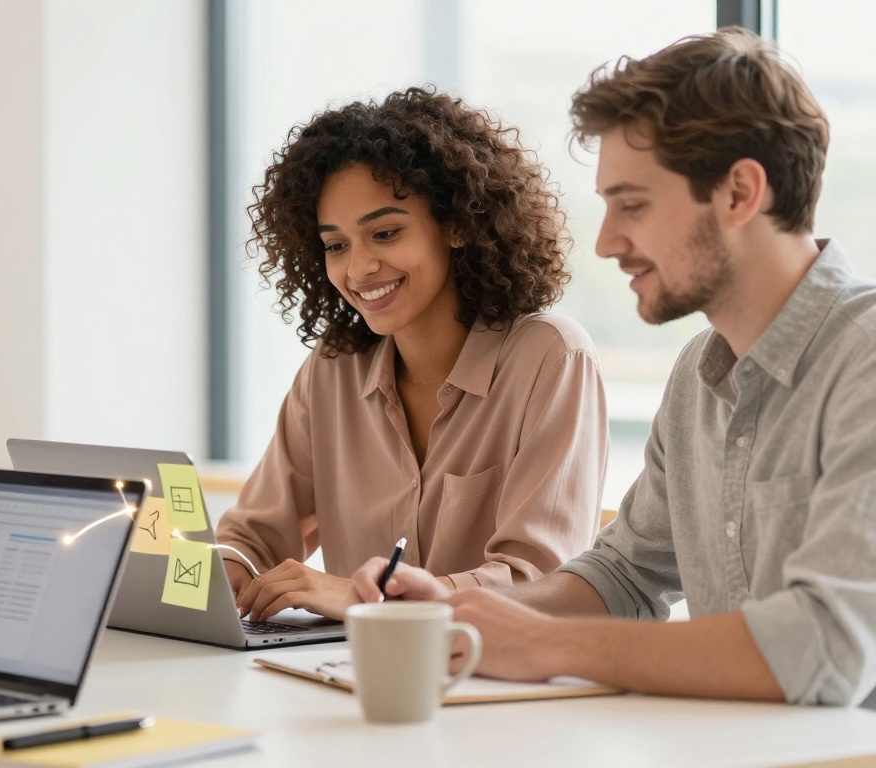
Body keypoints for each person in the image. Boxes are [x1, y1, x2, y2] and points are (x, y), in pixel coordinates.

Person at [353, 28, 876, 708]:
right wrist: (459, 615)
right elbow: (625, 577)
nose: (606, 242)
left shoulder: (864, 360)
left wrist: (546, 645)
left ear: (741, 193)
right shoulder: (697, 377)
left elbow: (830, 648)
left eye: (632, 204)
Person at [216, 87, 609, 623]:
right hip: (346, 677)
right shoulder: (333, 370)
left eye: (386, 233)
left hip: (497, 682)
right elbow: (251, 537)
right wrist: (213, 576)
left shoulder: (551, 359)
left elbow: (539, 578)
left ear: (457, 224)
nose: (357, 270)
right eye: (335, 245)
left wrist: (364, 599)